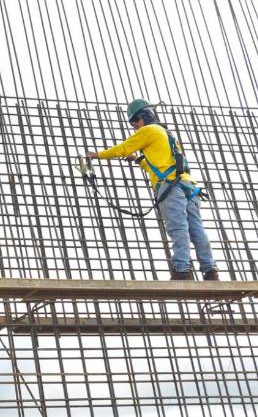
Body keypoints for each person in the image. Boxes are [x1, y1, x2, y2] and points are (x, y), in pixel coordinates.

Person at [85, 98, 219, 281]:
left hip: (172, 188)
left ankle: (182, 270)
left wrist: (97, 155)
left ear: (141, 118)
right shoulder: (165, 132)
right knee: (196, 228)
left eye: (134, 124)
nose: (134, 128)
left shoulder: (147, 130)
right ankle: (210, 270)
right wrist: (139, 160)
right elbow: (163, 164)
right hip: (189, 185)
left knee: (178, 227)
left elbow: (123, 149)